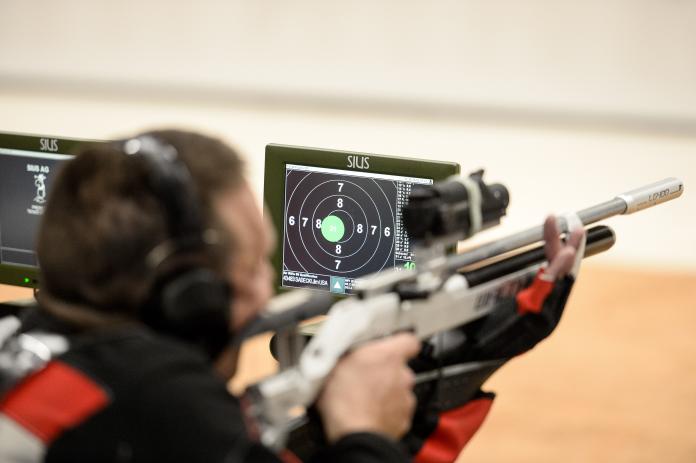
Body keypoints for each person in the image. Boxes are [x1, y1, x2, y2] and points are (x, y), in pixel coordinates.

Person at [0, 129, 583, 462]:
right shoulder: (165, 407)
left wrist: (447, 375)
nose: (266, 291)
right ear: (190, 295)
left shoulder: (18, 338)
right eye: (255, 264)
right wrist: (365, 431)